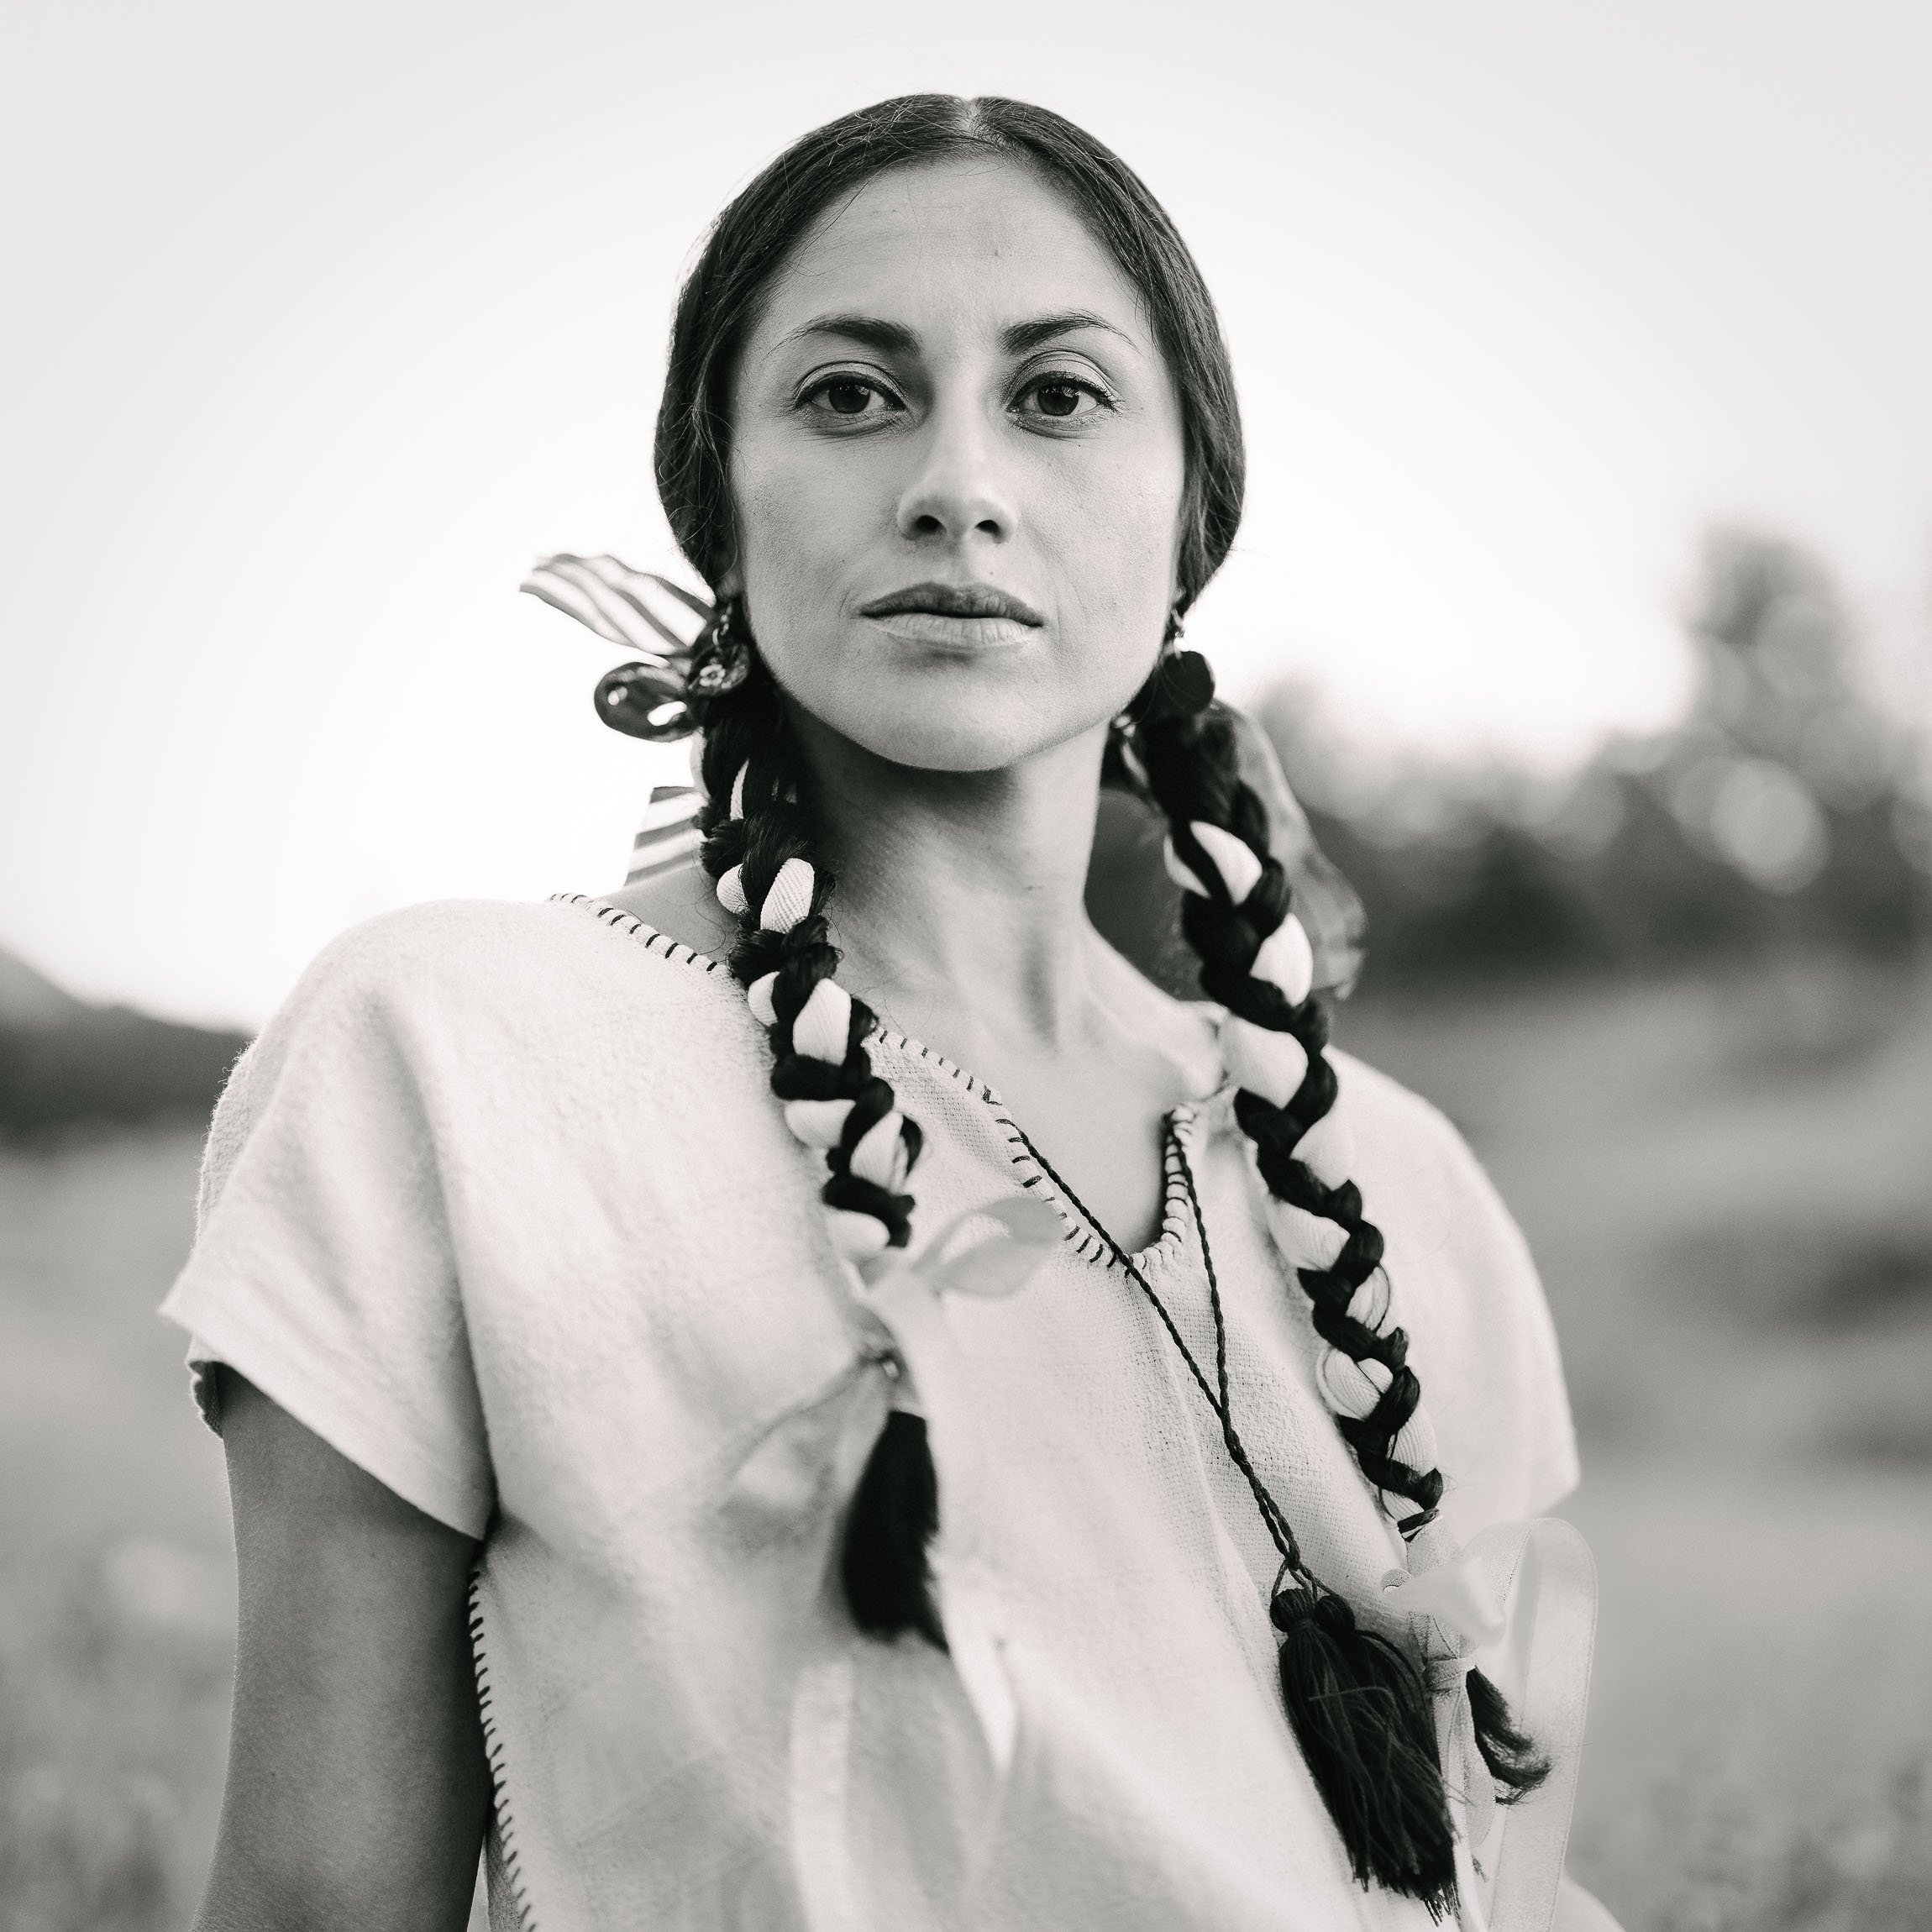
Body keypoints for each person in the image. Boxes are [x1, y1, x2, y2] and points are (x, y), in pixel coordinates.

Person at [165, 95, 1620, 1932]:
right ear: (718, 504)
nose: (955, 480)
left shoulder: (1405, 1187)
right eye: (850, 394)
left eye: (1060, 395)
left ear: (1191, 513)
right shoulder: (456, 1054)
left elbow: (1511, 1865)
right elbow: (316, 1899)